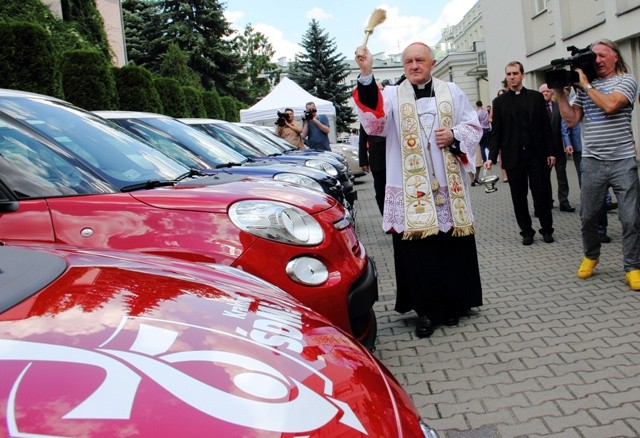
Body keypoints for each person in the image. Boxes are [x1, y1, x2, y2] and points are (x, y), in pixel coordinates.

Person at [353, 42, 483, 338]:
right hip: (412, 189)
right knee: (419, 251)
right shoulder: (392, 96)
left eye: (420, 60)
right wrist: (366, 73)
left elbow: (473, 127)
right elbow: (374, 123)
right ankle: (426, 310)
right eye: (408, 61)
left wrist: (453, 134)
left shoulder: (453, 91)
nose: (414, 65)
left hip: (447, 185)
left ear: (432, 63)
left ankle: (453, 305)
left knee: (450, 245)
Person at [554, 39, 640, 289]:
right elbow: (571, 121)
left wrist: (585, 84)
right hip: (592, 161)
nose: (598, 61)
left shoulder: (627, 80)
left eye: (603, 55)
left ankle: (633, 266)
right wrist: (561, 93)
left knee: (630, 218)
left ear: (615, 56)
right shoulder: (584, 88)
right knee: (588, 216)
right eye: (594, 57)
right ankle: (591, 255)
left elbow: (612, 105)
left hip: (623, 160)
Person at [485, 61, 556, 245]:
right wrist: (491, 157)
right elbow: (497, 132)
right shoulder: (499, 102)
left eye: (515, 73)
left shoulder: (536, 98)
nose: (512, 77)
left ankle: (547, 229)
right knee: (518, 197)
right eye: (508, 74)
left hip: (536, 155)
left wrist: (551, 151)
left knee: (541, 194)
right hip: (513, 157)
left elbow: (545, 127)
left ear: (522, 75)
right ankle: (526, 232)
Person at [539, 83, 575, 212]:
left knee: (562, 176)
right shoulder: (537, 109)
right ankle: (547, 201)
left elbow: (564, 127)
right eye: (543, 92)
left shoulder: (558, 106)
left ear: (552, 93)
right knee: (544, 178)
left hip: (558, 147)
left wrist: (567, 144)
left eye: (548, 91)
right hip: (543, 151)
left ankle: (564, 202)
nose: (546, 93)